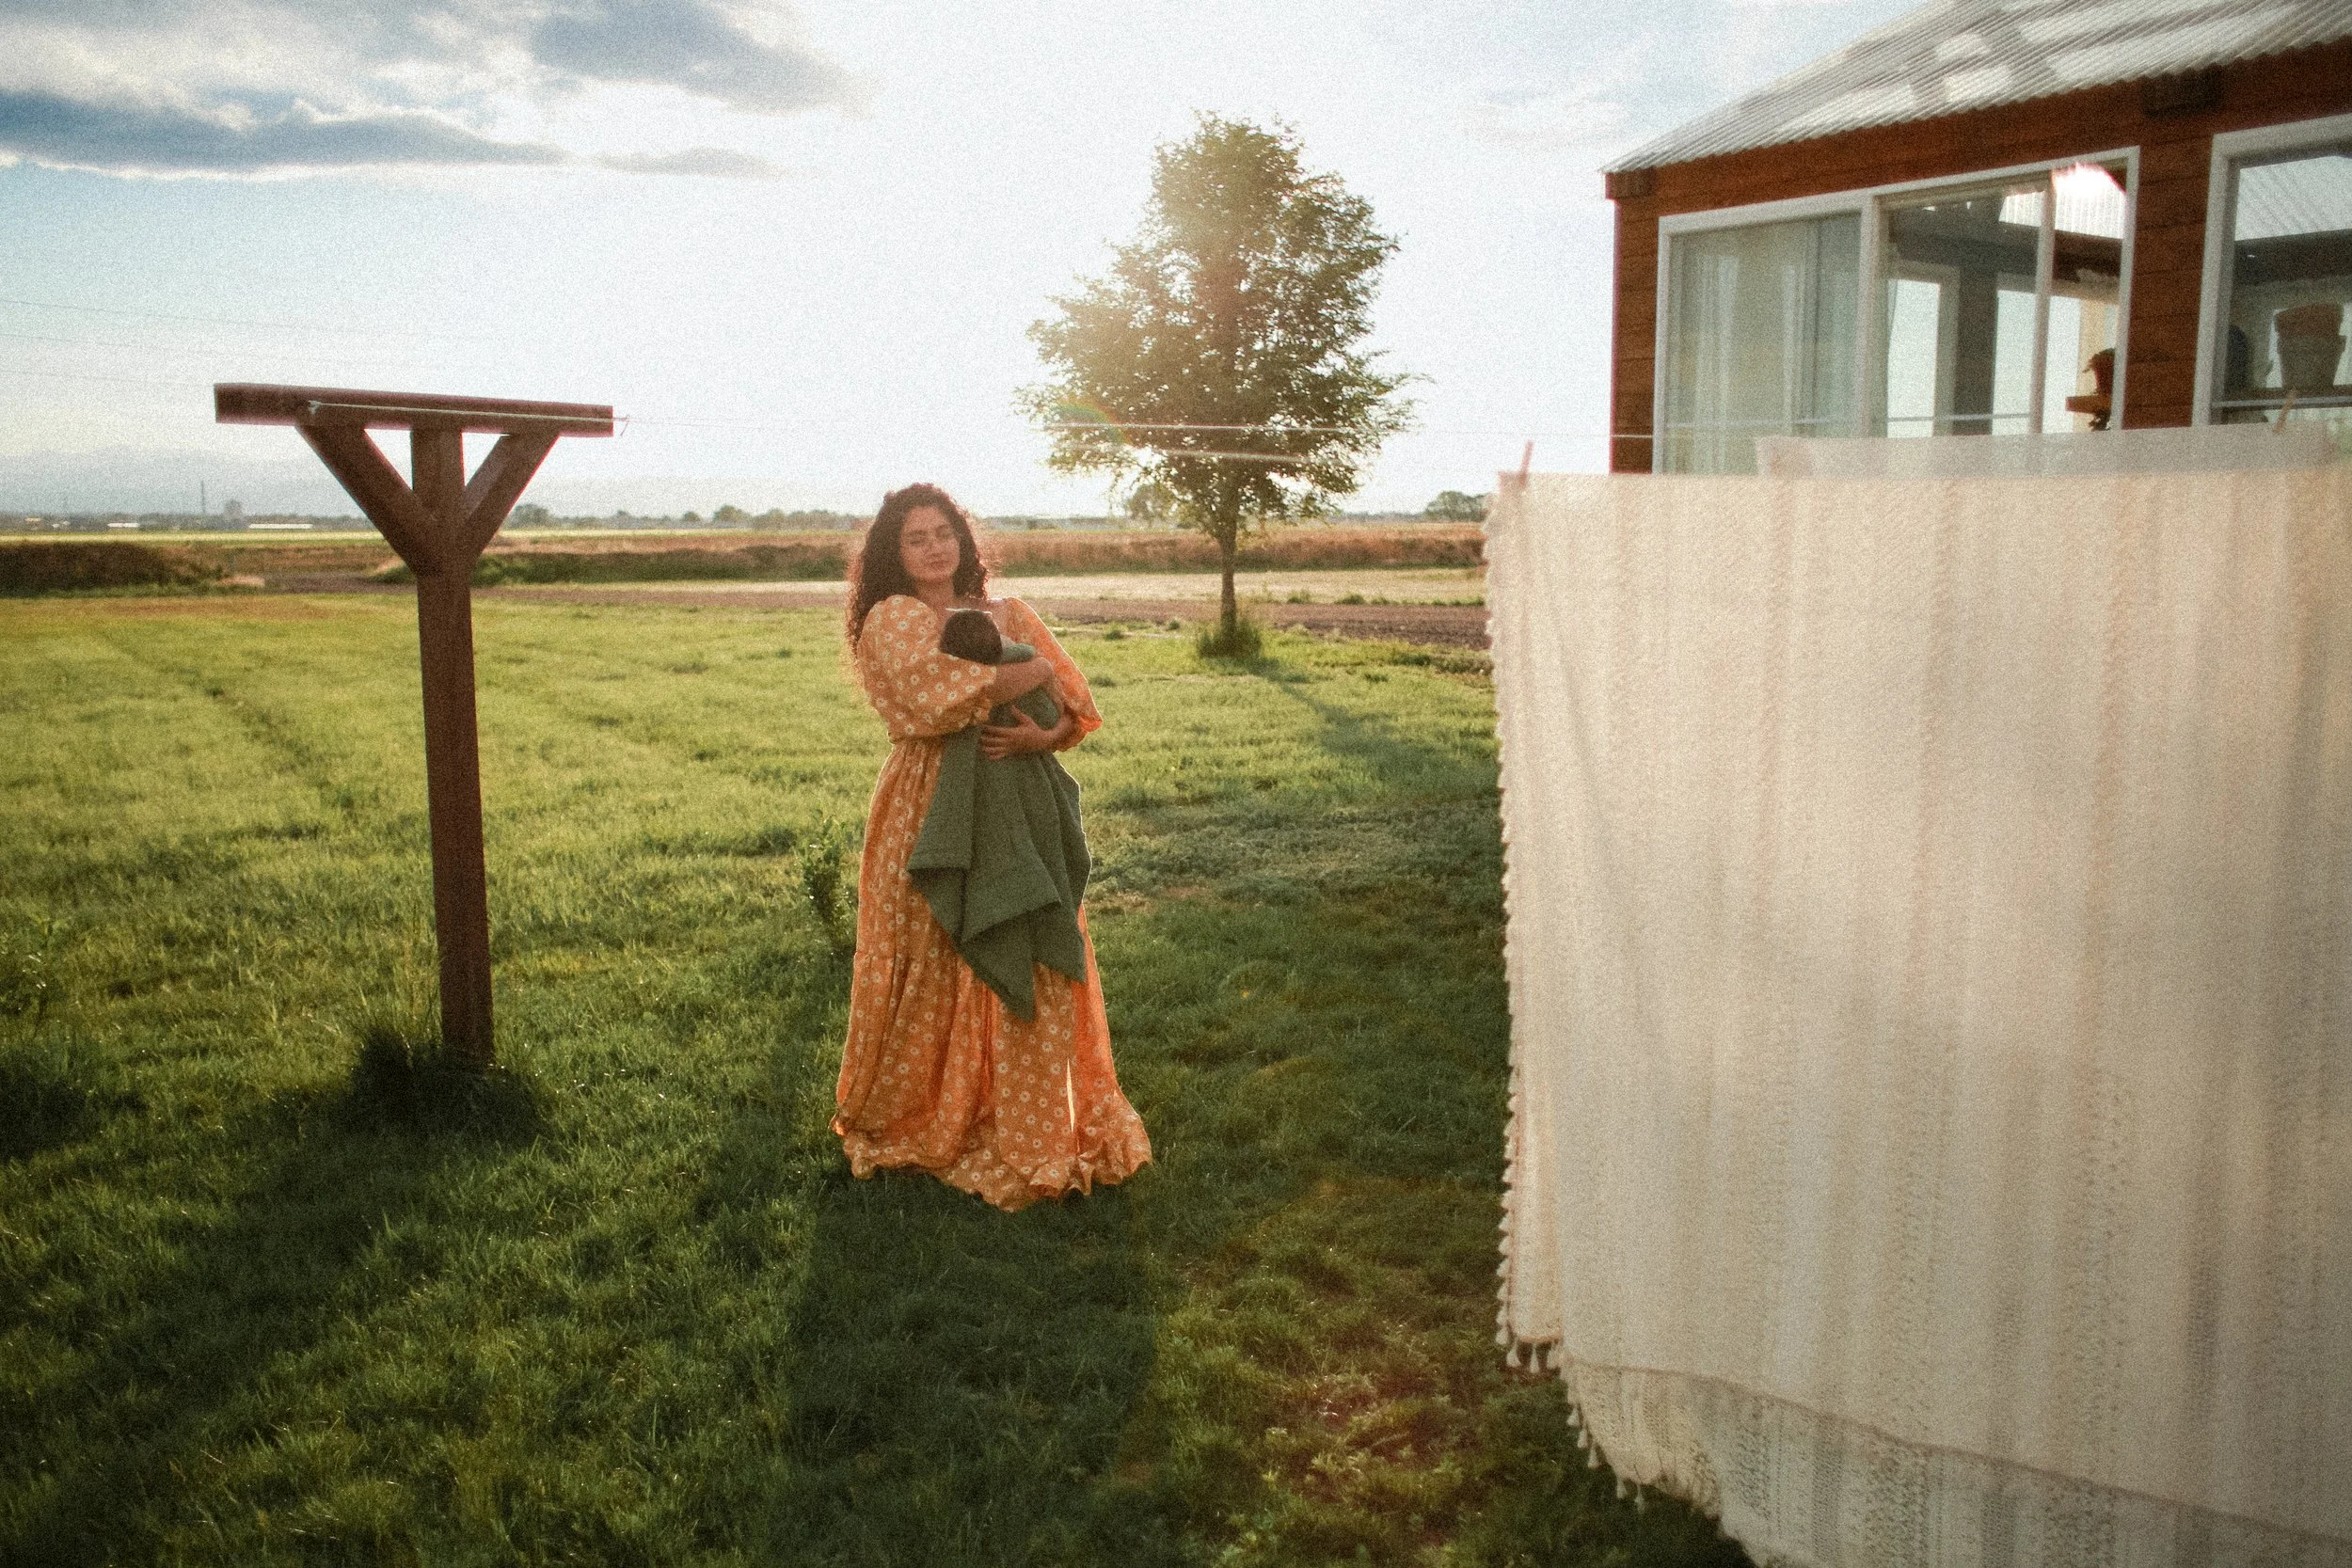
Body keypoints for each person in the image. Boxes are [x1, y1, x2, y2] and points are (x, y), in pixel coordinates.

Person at [834, 483, 1152, 1210]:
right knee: (935, 953)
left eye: (943, 531)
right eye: (916, 537)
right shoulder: (893, 620)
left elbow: (1074, 705)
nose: (934, 546)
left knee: (1028, 940)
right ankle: (932, 1111)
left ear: (963, 538)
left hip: (1020, 808)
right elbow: (943, 697)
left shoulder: (1009, 612)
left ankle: (1024, 1118)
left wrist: (1042, 732)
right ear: (894, 552)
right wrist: (1027, 670)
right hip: (926, 805)